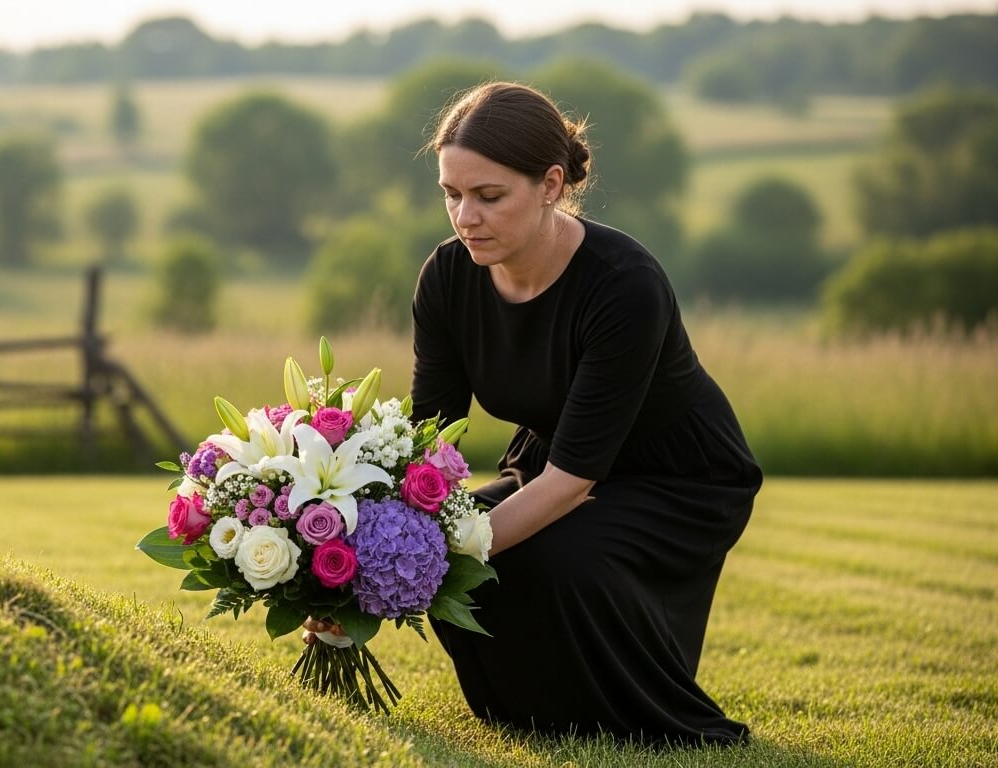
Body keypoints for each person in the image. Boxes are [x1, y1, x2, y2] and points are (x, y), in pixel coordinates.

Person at [304, 82, 761, 745]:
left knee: (540, 560)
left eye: (489, 197)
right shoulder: (447, 278)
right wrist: (354, 550)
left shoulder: (625, 284)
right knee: (460, 551)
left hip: (675, 476)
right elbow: (422, 442)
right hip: (549, 461)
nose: (465, 217)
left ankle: (626, 719)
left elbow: (575, 483)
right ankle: (531, 715)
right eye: (451, 194)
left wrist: (423, 556)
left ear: (550, 184)